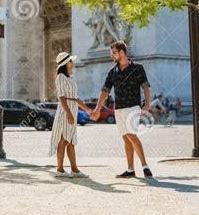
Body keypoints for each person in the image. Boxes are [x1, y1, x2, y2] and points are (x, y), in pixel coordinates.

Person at [91, 40, 153, 179]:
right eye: (111, 52)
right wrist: (97, 108)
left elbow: (145, 86)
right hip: (118, 109)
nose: (112, 55)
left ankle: (145, 166)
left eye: (114, 52)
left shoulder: (138, 68)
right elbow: (105, 91)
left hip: (133, 106)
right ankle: (130, 169)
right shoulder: (112, 72)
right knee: (126, 138)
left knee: (131, 135)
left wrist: (147, 105)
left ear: (122, 52)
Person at [49, 52, 93, 178]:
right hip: (65, 111)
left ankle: (74, 169)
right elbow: (61, 97)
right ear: (65, 63)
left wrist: (88, 110)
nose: (72, 63)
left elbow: (76, 99)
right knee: (63, 140)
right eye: (70, 61)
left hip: (72, 109)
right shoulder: (61, 77)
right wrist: (68, 113)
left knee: (71, 141)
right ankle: (60, 169)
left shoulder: (70, 78)